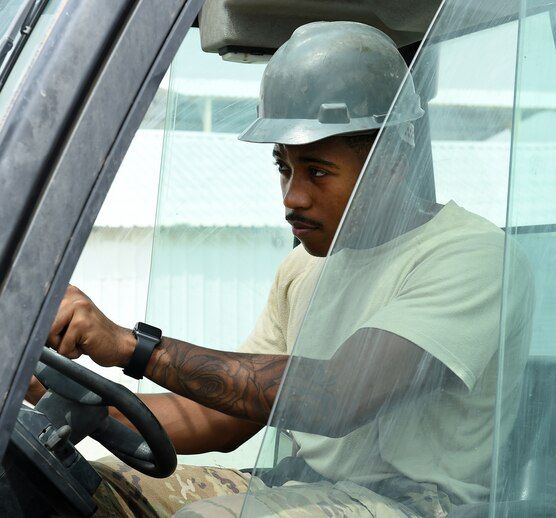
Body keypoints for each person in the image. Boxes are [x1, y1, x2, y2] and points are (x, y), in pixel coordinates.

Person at [31, 21, 533, 517]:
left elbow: (336, 395)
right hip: (301, 485)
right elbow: (220, 414)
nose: (292, 197)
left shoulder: (471, 256)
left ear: (388, 162)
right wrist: (65, 395)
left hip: (414, 504)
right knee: (73, 486)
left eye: (317, 171)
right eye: (284, 168)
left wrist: (130, 346)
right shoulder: (302, 268)